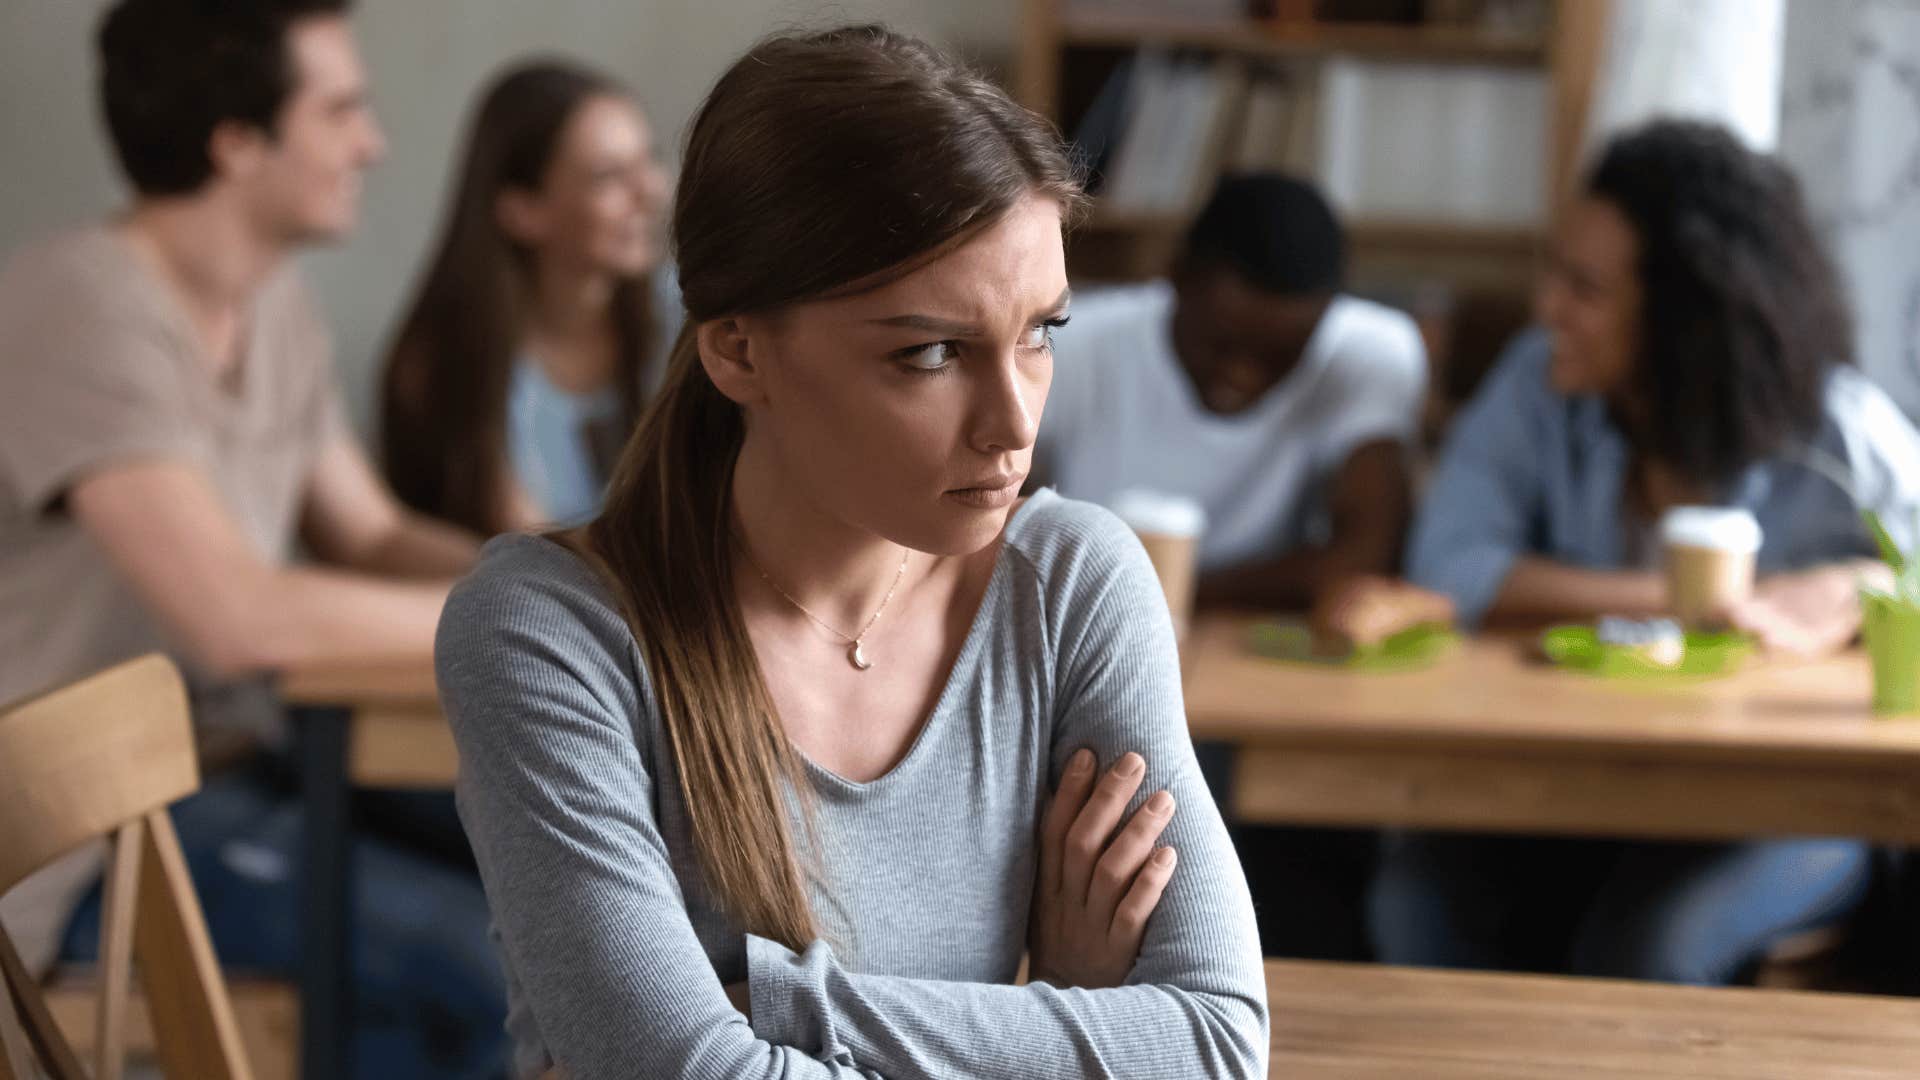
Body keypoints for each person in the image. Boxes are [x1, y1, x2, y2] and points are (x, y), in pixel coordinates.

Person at [436, 25, 1268, 1079]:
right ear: (739, 348)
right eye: (929, 352)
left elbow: (1213, 1041)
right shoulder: (551, 632)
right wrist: (1064, 1022)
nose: (1014, 423)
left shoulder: (1071, 584)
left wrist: (773, 1004)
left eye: (1040, 333)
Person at [0, 1, 505, 1073]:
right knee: (491, 964)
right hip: (80, 842)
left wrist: (560, 567)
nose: (372, 143)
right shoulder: (73, 305)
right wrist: (529, 616)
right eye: (341, 111)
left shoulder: (272, 303)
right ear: (238, 142)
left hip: (244, 765)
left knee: (553, 891)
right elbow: (237, 621)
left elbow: (369, 531)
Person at [1372, 119, 1920, 985]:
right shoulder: (1535, 387)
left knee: (1650, 946)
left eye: (1584, 288)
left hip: (1785, 809)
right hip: (1566, 789)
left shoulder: (1838, 432)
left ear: (1685, 310)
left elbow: (1911, 567)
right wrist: (1684, 602)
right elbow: (1451, 567)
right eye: (1555, 271)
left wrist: (1857, 586)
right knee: (1414, 901)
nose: (1548, 306)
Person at [1036, 172, 1428, 612]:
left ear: (1329, 315)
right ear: (1174, 280)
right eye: (1219, 346)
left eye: (1281, 357)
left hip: (1228, 638)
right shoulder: (1069, 344)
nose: (1243, 375)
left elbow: (1364, 563)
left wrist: (1149, 594)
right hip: (1085, 624)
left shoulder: (1368, 352)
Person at [381, 60, 677, 535]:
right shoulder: (452, 366)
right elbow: (528, 550)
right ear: (522, 210)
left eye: (651, 160)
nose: (651, 192)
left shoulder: (695, 320)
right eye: (609, 176)